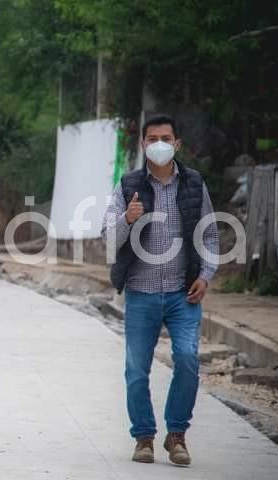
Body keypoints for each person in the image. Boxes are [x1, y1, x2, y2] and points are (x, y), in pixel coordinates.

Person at [102, 115, 219, 467]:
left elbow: (210, 235)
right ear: (143, 144)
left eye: (165, 137)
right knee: (137, 370)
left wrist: (207, 274)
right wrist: (128, 219)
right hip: (141, 293)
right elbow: (107, 237)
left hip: (184, 294)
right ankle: (144, 437)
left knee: (187, 360)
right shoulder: (128, 186)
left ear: (177, 143)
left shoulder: (195, 184)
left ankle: (177, 434)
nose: (159, 143)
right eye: (152, 138)